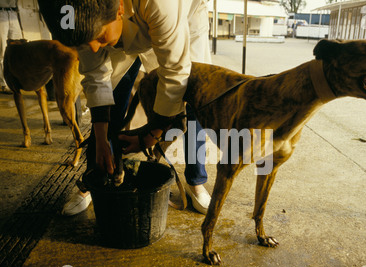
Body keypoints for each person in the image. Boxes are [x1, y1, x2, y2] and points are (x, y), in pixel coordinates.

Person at [37, 0, 211, 215]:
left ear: (119, 8)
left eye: (98, 36)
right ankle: (95, 177)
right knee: (115, 94)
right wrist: (100, 139)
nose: (92, 48)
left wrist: (151, 135)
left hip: (180, 21)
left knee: (193, 95)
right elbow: (96, 77)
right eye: (83, 43)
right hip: (120, 27)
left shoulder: (160, 4)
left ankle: (196, 181)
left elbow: (176, 73)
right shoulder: (80, 16)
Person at [0, 0, 23, 94]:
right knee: (1, 50)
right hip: (1, 13)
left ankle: (16, 80)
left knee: (17, 48)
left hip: (13, 13)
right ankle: (3, 84)